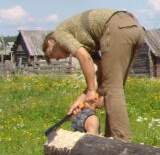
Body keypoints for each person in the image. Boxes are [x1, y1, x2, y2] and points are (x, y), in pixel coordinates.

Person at [43, 10, 144, 141]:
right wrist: (80, 100)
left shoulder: (59, 34)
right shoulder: (86, 42)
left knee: (112, 89)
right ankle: (112, 137)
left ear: (51, 41)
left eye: (51, 54)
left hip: (115, 28)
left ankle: (121, 141)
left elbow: (83, 57)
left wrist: (91, 91)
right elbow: (98, 75)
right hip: (135, 28)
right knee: (113, 88)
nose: (56, 59)